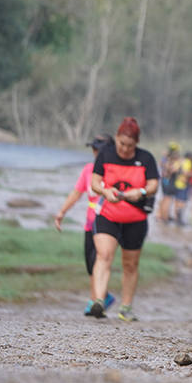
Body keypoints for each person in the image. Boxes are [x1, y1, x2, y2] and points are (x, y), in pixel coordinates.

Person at [89, 117, 159, 321]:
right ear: (116, 138)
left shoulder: (145, 158)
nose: (125, 149)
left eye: (130, 145)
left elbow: (154, 184)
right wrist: (105, 191)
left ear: (136, 143)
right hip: (108, 214)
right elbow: (94, 182)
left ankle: (126, 308)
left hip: (135, 218)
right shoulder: (105, 154)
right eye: (121, 143)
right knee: (104, 255)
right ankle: (99, 301)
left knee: (130, 264)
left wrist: (142, 191)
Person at [53, 134, 115, 315]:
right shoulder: (88, 170)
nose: (95, 152)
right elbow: (76, 193)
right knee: (90, 263)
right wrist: (62, 212)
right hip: (90, 223)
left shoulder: (114, 170)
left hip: (108, 222)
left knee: (99, 260)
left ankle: (99, 301)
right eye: (94, 149)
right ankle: (96, 298)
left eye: (98, 149)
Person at [157, 143, 180, 223]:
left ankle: (162, 215)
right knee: (168, 199)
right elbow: (173, 170)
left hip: (164, 180)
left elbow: (161, 166)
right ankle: (164, 217)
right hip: (169, 181)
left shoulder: (164, 159)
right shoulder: (171, 161)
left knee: (165, 198)